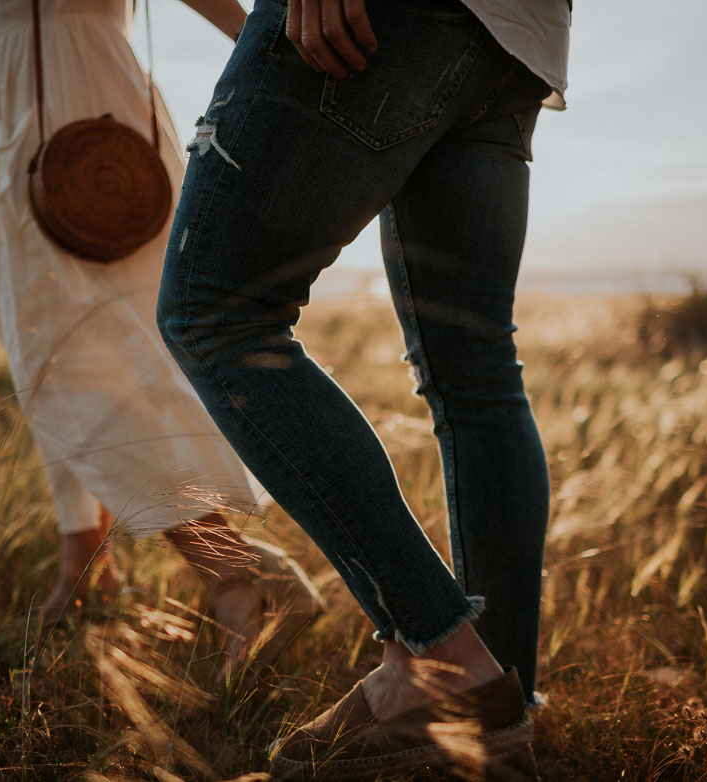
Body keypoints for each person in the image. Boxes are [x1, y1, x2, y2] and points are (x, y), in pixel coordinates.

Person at [157, 0, 569, 776]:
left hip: (396, 15)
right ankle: (492, 709)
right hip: (520, 35)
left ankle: (441, 662)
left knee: (212, 311)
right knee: (474, 369)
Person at [0, 0, 323, 668]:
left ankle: (239, 578)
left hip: (66, 86)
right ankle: (83, 558)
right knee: (48, 341)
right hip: (9, 76)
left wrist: (264, 38)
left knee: (71, 352)